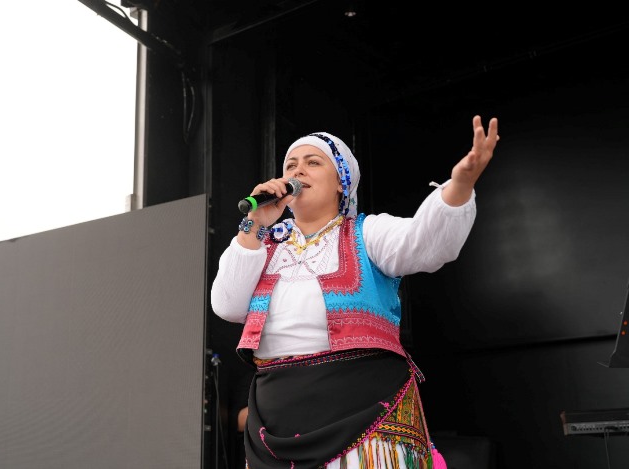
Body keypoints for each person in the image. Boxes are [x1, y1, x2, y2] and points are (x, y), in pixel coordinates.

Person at [211, 115, 500, 469]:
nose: (298, 170)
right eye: (291, 165)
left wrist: (460, 186)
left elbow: (427, 244)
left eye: (313, 162)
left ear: (341, 182)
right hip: (276, 413)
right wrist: (254, 225)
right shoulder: (263, 244)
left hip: (362, 405)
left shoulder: (368, 232)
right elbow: (226, 305)